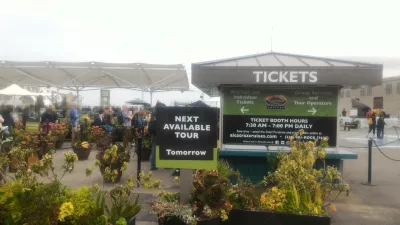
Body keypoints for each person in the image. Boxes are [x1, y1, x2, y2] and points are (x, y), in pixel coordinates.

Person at [148, 102, 166, 170]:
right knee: (164, 148)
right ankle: (166, 165)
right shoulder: (163, 111)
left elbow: (150, 122)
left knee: (154, 148)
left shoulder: (153, 112)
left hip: (154, 132)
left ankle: (153, 165)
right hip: (162, 133)